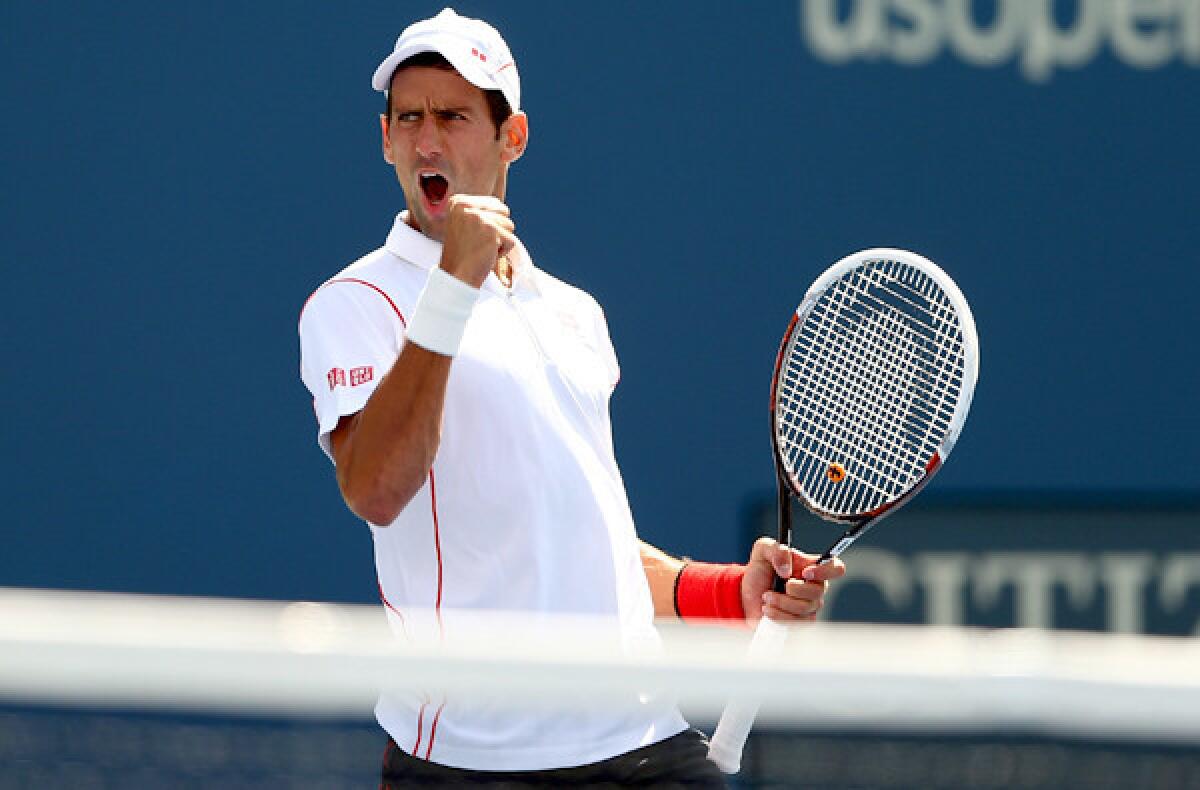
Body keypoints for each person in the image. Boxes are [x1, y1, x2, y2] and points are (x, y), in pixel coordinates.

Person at [297, 8, 845, 786]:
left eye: (453, 116)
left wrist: (727, 590)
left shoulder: (573, 312)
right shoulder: (353, 304)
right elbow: (378, 489)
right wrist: (454, 284)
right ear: (385, 139)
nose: (427, 141)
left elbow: (584, 544)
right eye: (408, 118)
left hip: (643, 736)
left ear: (511, 137)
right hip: (472, 761)